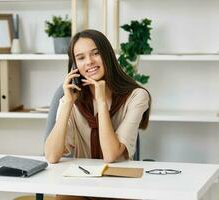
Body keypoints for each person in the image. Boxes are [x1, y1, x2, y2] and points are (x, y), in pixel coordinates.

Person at [44, 29, 151, 200]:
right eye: (80, 58)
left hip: (119, 184)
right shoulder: (72, 98)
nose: (89, 62)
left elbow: (110, 155)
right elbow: (51, 155)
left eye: (96, 53)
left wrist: (101, 103)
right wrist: (67, 104)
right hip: (80, 182)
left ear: (107, 56)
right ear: (74, 66)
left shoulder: (137, 96)